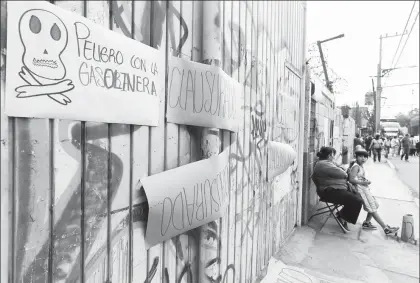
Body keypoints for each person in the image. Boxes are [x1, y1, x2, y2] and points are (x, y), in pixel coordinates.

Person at [348, 147, 400, 235]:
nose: (363, 158)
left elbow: (358, 177)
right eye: (360, 156)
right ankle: (385, 228)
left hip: (364, 189)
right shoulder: (356, 166)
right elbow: (351, 179)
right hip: (361, 191)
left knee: (375, 205)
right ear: (356, 157)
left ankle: (367, 223)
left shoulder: (360, 166)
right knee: (372, 208)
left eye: (365, 157)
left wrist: (365, 181)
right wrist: (363, 182)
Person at [312, 146, 363, 232]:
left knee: (358, 196)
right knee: (356, 200)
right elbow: (343, 174)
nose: (334, 157)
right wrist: (344, 170)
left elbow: (340, 169)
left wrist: (342, 168)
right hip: (328, 192)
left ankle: (342, 215)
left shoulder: (327, 163)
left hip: (334, 189)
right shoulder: (323, 164)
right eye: (333, 155)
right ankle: (342, 217)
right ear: (329, 155)